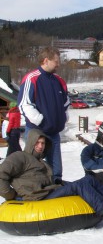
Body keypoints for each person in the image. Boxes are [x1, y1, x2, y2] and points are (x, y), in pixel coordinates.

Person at [0, 129, 103, 232]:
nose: (40, 146)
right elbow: (1, 174)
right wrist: (11, 195)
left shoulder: (41, 162)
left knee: (90, 180)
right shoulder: (20, 157)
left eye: (43, 143)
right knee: (81, 185)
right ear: (31, 143)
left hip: (49, 191)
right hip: (38, 197)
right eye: (37, 143)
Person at [18, 46, 70, 184]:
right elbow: (25, 104)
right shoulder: (31, 78)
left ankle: (56, 189)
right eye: (56, 61)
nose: (58, 64)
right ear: (46, 61)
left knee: (56, 170)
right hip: (36, 132)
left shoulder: (59, 80)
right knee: (31, 166)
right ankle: (29, 188)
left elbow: (66, 102)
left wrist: (63, 118)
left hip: (54, 133)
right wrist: (40, 120)